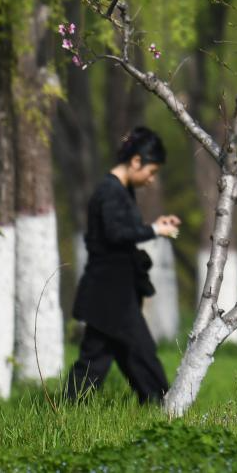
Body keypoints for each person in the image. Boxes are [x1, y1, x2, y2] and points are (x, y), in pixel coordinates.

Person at [65, 127, 181, 404]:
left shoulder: (120, 190)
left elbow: (122, 230)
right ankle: (165, 409)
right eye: (151, 171)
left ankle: (70, 410)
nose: (152, 179)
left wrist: (155, 226)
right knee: (140, 355)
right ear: (136, 161)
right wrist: (155, 230)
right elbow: (117, 233)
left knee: (101, 360)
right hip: (110, 294)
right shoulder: (110, 191)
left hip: (112, 293)